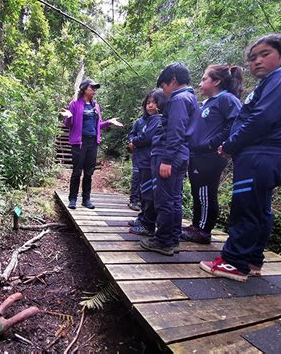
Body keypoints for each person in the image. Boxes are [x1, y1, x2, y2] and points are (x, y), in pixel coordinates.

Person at [200, 34, 281, 282]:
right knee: (259, 206)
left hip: (263, 151)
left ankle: (234, 262)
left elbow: (261, 119)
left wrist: (231, 144)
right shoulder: (273, 81)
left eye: (265, 54)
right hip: (262, 152)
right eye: (253, 57)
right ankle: (253, 259)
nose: (257, 61)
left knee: (245, 207)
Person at [139, 63, 200, 256]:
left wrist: (166, 159)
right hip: (181, 155)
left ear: (173, 81)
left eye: (164, 86)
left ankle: (163, 240)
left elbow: (175, 131)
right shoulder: (191, 98)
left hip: (170, 156)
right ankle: (172, 238)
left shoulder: (179, 99)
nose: (163, 92)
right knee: (174, 199)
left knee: (164, 200)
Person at [182, 64, 243, 244]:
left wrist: (212, 143)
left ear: (216, 81)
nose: (200, 83)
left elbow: (235, 123)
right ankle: (196, 225)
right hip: (198, 155)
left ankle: (203, 231)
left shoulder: (227, 99)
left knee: (206, 192)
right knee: (197, 191)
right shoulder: (209, 102)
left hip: (210, 156)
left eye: (204, 79)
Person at [59, 79, 122, 209]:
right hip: (79, 142)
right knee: (77, 171)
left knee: (89, 172)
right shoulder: (75, 104)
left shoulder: (95, 106)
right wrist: (68, 117)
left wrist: (109, 122)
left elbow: (98, 125)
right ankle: (72, 199)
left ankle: (86, 199)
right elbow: (68, 125)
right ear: (84, 89)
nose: (94, 90)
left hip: (93, 142)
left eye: (95, 88)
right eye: (91, 88)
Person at [127, 89, 168, 235]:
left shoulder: (158, 119)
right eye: (148, 103)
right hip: (143, 160)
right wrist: (132, 141)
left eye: (154, 102)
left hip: (150, 161)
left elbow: (147, 137)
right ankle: (142, 218)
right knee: (144, 192)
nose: (150, 106)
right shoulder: (145, 120)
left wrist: (134, 142)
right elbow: (137, 135)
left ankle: (148, 225)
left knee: (148, 194)